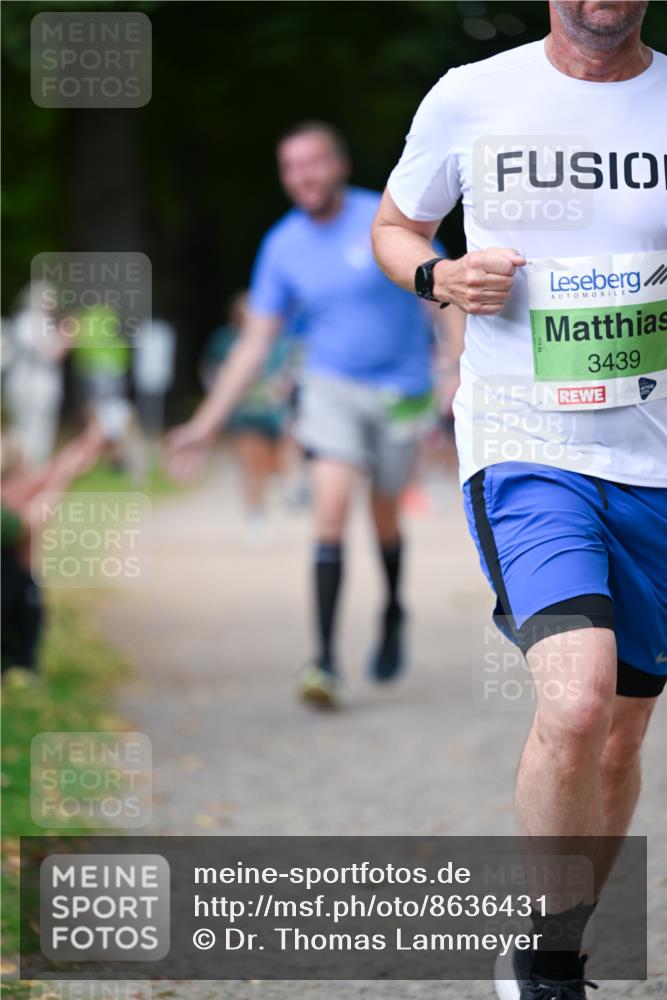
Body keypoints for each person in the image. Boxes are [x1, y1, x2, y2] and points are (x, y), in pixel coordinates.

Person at [371, 2, 666, 997]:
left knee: (621, 733)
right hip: (525, 446)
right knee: (575, 699)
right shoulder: (472, 97)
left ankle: (560, 939)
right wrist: (441, 274)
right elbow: (395, 223)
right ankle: (544, 964)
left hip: (655, 460)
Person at [166, 121, 465, 707]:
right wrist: (204, 426)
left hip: (402, 390)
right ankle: (324, 661)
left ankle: (393, 610)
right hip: (328, 387)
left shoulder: (386, 222)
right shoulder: (282, 246)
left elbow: (446, 295)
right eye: (291, 167)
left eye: (313, 163)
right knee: (328, 507)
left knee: (384, 518)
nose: (303, 176)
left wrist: (453, 369)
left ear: (339, 164)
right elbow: (255, 343)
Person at [199, 290, 294, 542]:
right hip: (242, 413)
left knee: (274, 465)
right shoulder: (224, 340)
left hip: (272, 414)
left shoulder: (278, 340)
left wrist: (283, 387)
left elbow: (289, 370)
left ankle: (284, 488)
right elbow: (209, 370)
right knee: (250, 465)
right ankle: (255, 514)